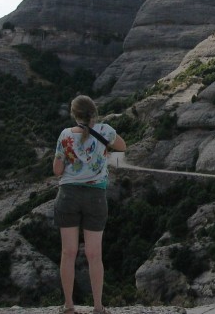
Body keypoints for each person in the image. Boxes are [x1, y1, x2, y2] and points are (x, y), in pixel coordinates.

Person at [53, 95, 126, 314]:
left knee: (68, 252)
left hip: (68, 196)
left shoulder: (65, 135)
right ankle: (98, 307)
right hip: (95, 197)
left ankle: (68, 306)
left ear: (74, 114)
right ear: (94, 112)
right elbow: (122, 146)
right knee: (95, 254)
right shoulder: (105, 131)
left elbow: (57, 170)